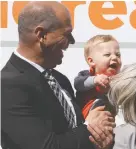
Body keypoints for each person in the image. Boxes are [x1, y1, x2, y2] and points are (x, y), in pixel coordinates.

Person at [1, 2, 115, 149]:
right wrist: (90, 128)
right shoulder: (7, 85)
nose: (72, 41)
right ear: (41, 35)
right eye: (67, 34)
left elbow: (75, 133)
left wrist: (101, 140)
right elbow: (46, 146)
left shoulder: (60, 79)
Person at [74, 35, 122, 118]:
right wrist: (95, 80)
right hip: (88, 120)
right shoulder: (87, 75)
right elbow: (78, 84)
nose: (114, 57)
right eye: (107, 55)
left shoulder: (121, 79)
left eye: (118, 55)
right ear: (91, 61)